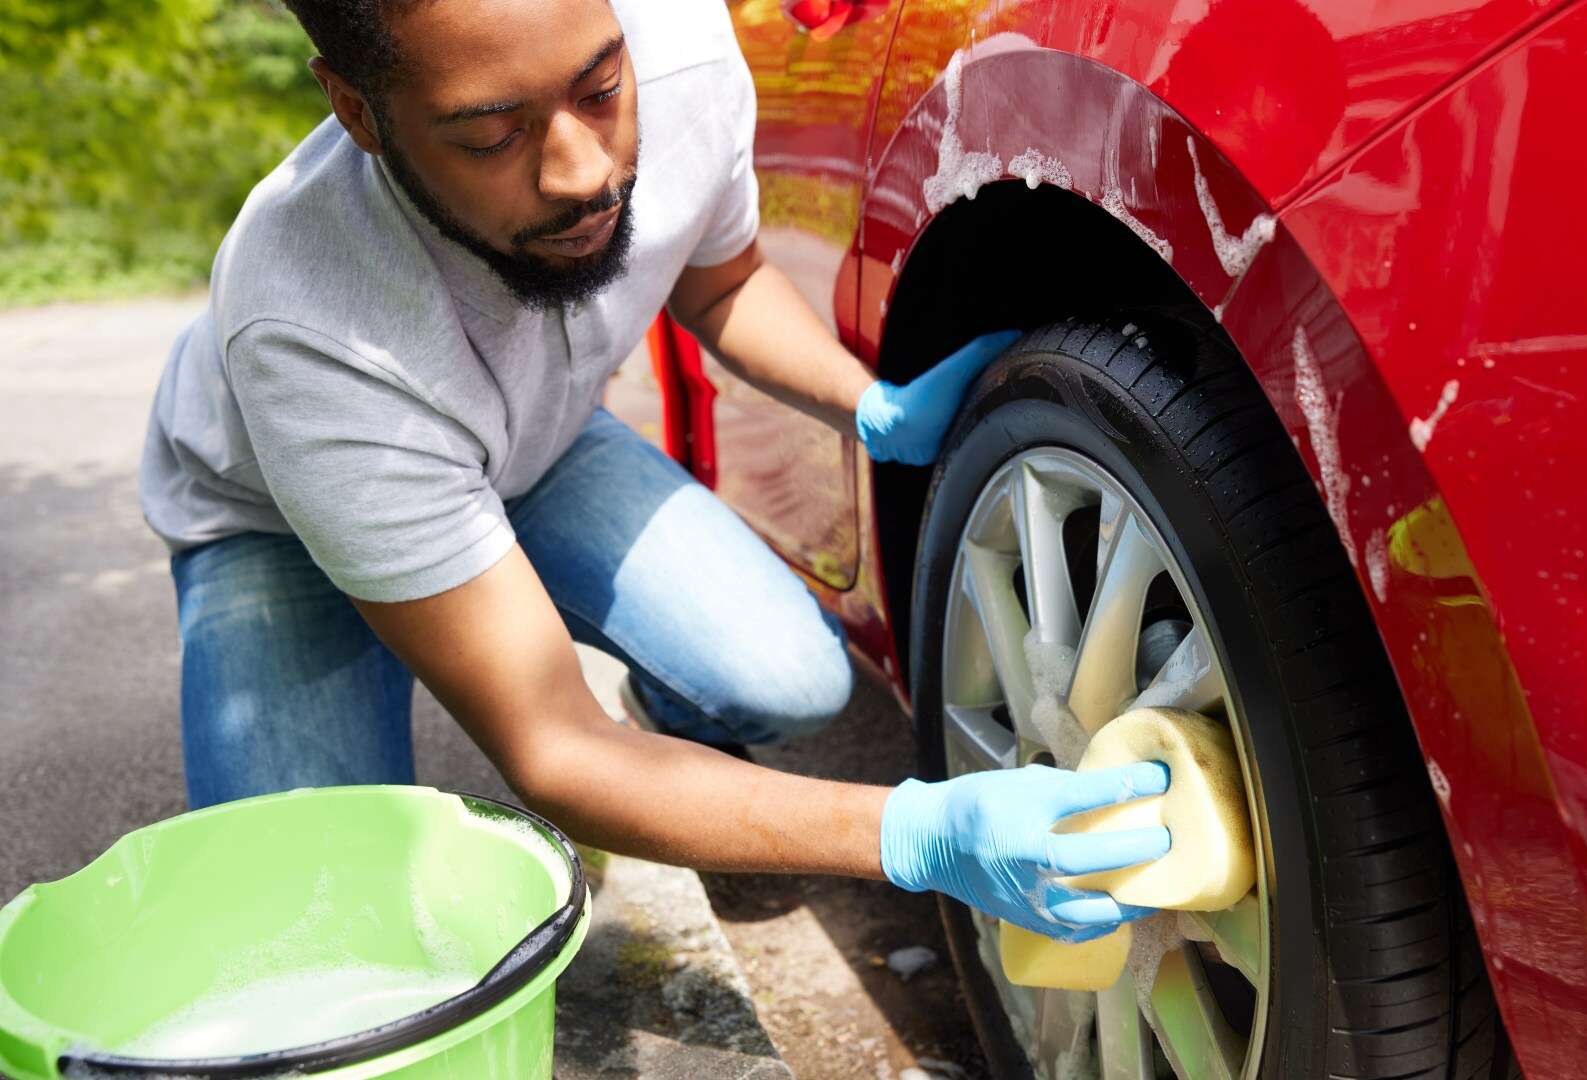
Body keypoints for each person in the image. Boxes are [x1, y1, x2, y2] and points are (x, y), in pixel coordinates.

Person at [136, 0, 1170, 944]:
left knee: (797, 683)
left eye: (599, 91)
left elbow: (720, 284)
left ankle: (663, 738)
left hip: (536, 448)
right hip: (270, 524)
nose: (583, 171)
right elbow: (554, 750)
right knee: (309, 927)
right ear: (356, 112)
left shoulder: (683, 54)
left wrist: (866, 404)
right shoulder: (311, 327)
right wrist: (913, 832)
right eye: (494, 134)